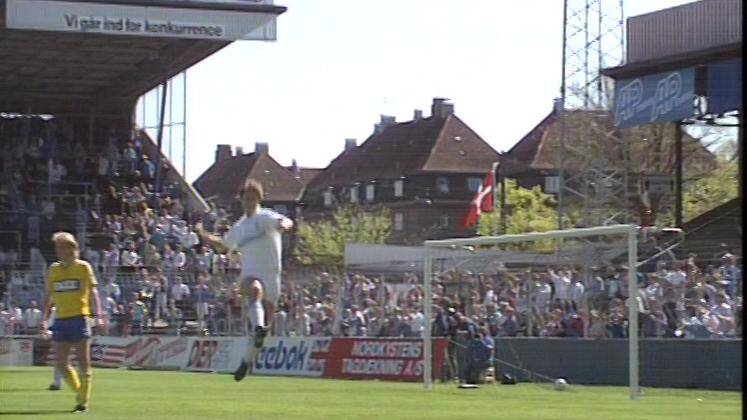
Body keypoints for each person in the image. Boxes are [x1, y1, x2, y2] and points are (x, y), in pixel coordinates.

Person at [195, 179, 293, 382]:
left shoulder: (265, 217)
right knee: (254, 290)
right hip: (251, 273)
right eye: (246, 199)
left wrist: (285, 224)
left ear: (259, 199)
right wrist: (203, 235)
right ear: (241, 200)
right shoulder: (240, 227)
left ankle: (246, 361)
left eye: (253, 198)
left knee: (264, 329)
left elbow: (286, 221)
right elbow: (223, 245)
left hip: (272, 275)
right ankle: (258, 328)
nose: (249, 202)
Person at [42, 232, 106, 413]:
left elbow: (93, 292)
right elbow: (49, 296)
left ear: (72, 248)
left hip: (80, 318)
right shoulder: (54, 269)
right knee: (61, 363)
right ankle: (81, 392)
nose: (59, 251)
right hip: (61, 320)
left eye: (62, 247)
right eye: (57, 247)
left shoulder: (83, 267)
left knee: (83, 362)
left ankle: (82, 403)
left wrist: (99, 314)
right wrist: (44, 319)